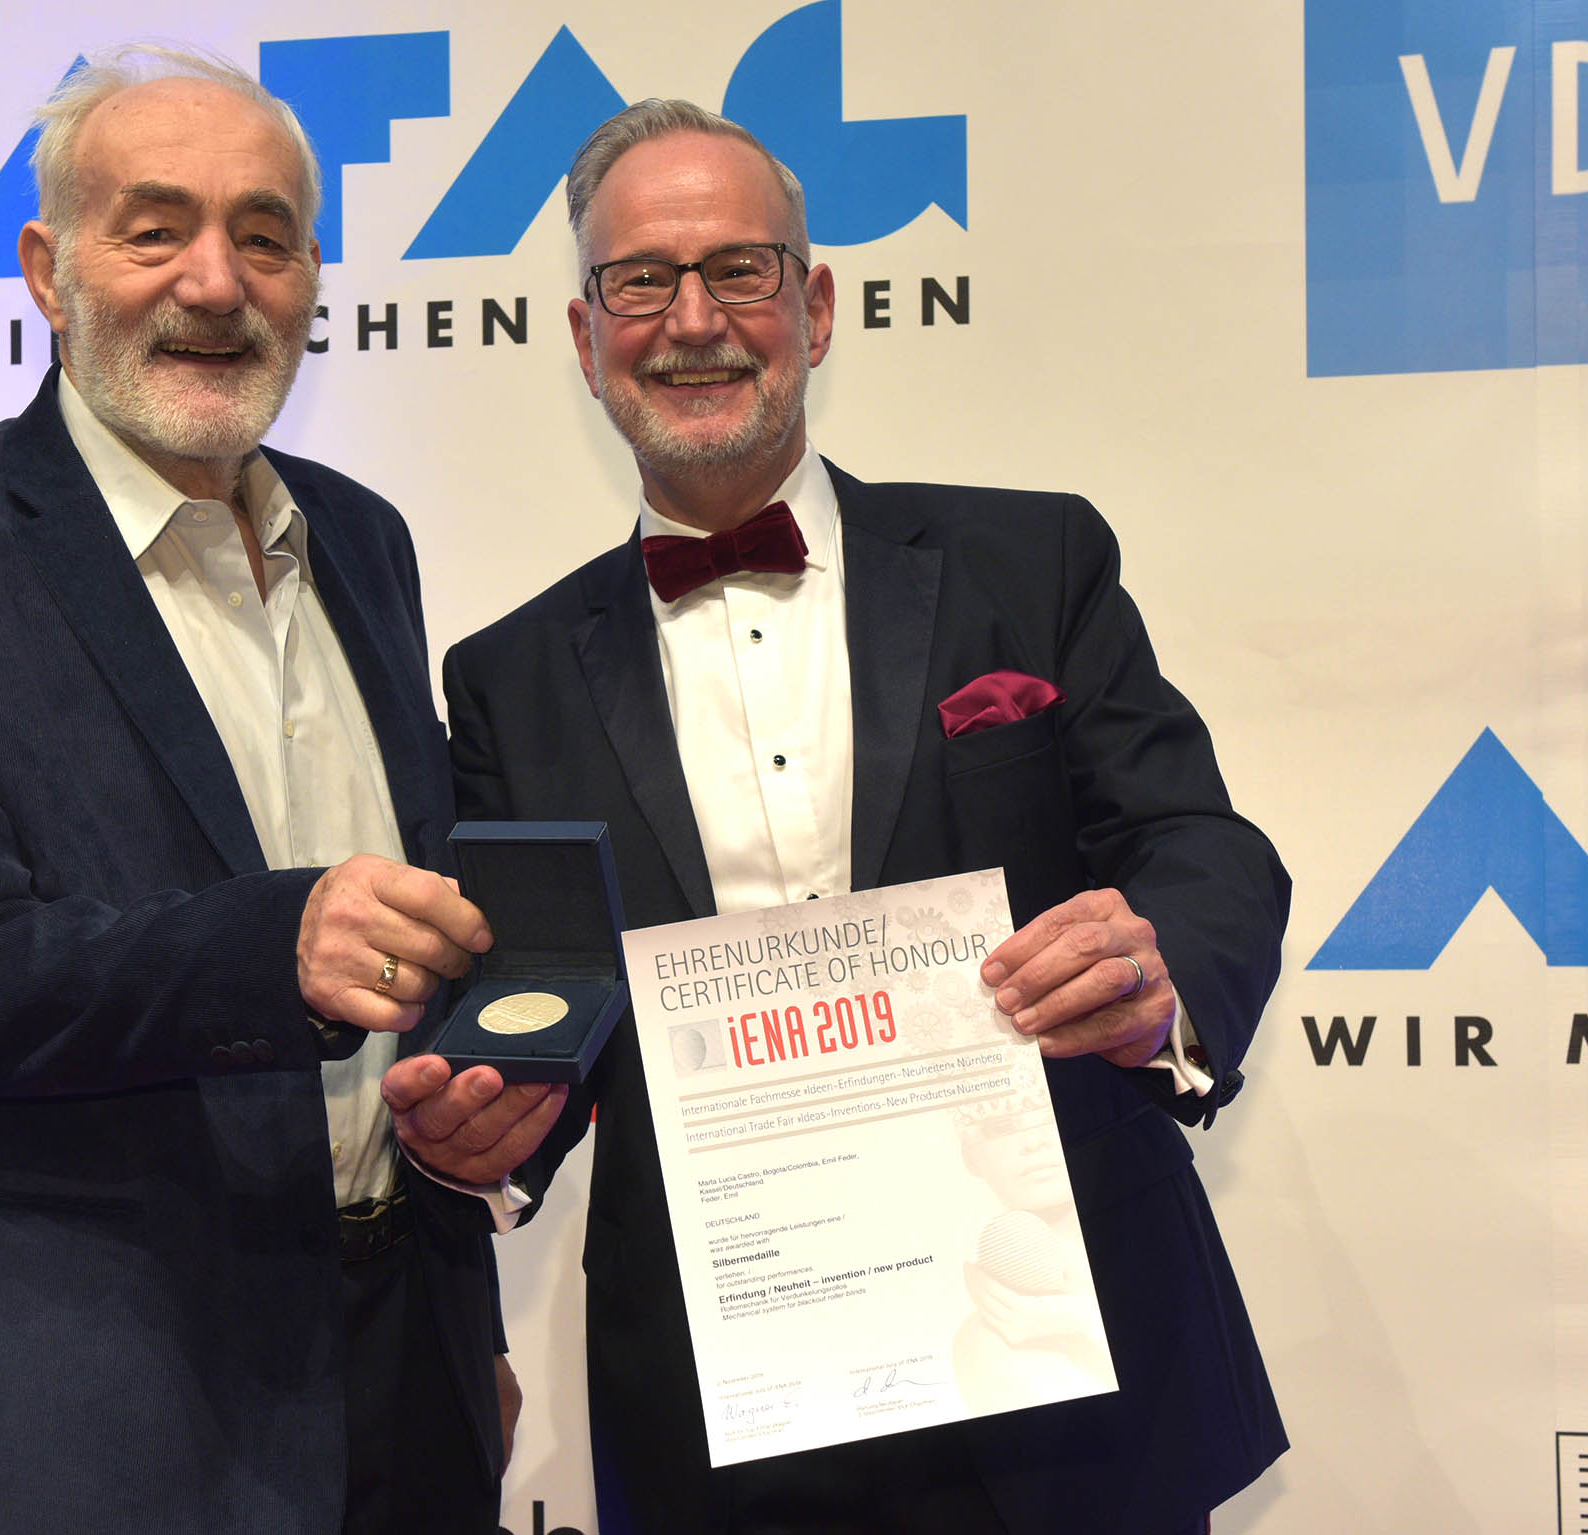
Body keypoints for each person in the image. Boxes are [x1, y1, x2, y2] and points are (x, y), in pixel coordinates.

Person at [408, 99, 1290, 1534]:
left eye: (738, 269)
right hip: (722, 1388)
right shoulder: (505, 678)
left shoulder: (1032, 558)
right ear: (585, 337)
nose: (694, 319)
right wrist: (490, 1136)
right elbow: (538, 1010)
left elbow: (1198, 842)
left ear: (814, 308)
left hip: (1061, 1353)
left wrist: (1162, 972)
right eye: (641, 280)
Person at [0, 47, 546, 1535]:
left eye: (265, 236)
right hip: (86, 1407)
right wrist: (277, 945)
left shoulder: (363, 539)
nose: (216, 281)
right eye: (156, 229)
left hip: (408, 1378)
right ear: (47, 272)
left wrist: (473, 1254)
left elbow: (424, 914)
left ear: (311, 279)